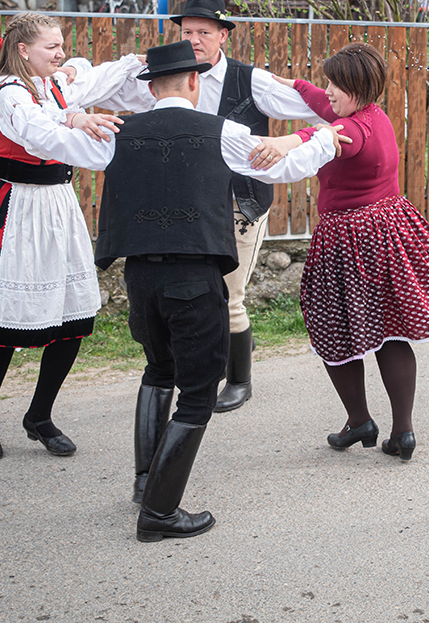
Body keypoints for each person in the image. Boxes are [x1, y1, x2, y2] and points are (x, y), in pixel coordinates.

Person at [92, 40, 346, 541]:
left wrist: (75, 117)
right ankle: (160, 513)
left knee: (158, 370)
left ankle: (147, 483)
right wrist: (326, 139)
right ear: (193, 82)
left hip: (139, 275)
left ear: (150, 87)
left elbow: (49, 142)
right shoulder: (221, 131)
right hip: (193, 277)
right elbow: (279, 168)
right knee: (198, 392)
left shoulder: (118, 131)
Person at [0, 11, 151, 461]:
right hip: (16, 207)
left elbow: (92, 77)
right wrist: (81, 126)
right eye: (51, 47)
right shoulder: (9, 96)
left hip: (57, 206)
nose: (60, 53)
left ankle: (39, 414)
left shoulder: (53, 84)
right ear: (23, 51)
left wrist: (135, 61)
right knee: (5, 322)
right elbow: (39, 135)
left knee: (70, 316)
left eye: (60, 46)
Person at [261, 43, 429, 462]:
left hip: (349, 240)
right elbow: (325, 110)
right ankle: (403, 431)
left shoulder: (352, 131)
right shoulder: (373, 116)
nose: (328, 92)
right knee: (391, 331)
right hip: (389, 232)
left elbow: (321, 134)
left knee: (334, 331)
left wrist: (286, 142)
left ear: (355, 89)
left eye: (334, 85)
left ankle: (359, 419)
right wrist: (299, 86)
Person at [169, 0, 324, 413]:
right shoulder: (173, 77)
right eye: (187, 32)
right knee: (197, 292)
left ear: (223, 35)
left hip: (241, 201)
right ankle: (206, 371)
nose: (195, 39)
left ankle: (240, 380)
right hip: (189, 202)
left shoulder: (250, 80)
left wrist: (320, 134)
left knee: (228, 293)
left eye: (204, 32)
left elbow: (315, 112)